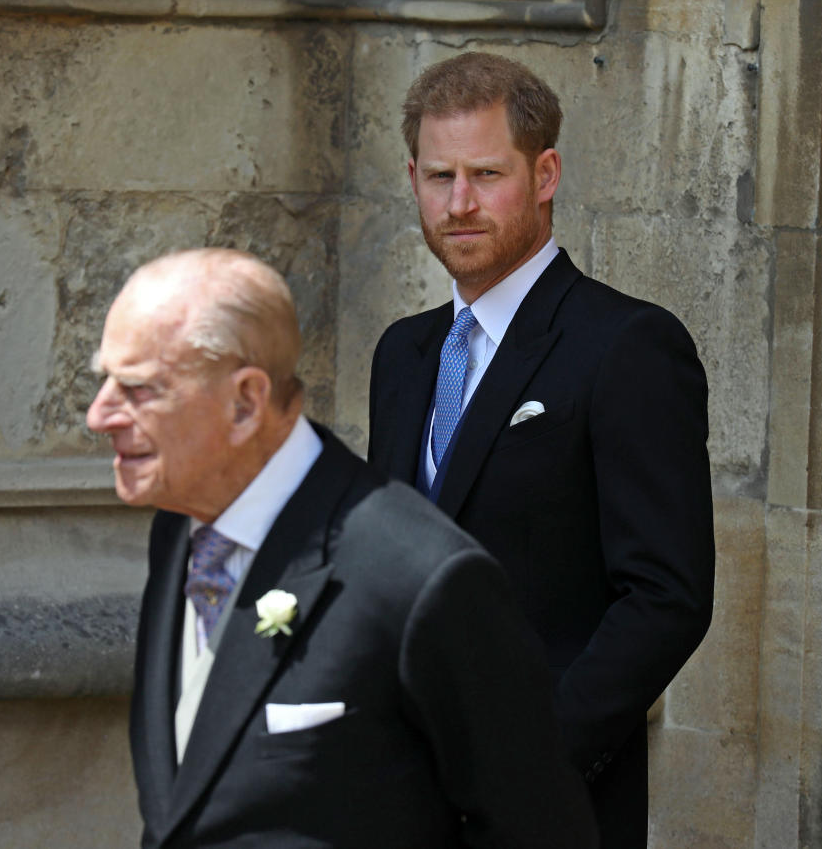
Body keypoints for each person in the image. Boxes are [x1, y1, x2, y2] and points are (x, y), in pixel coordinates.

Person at [86, 247, 597, 849]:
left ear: (246, 402)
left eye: (139, 389)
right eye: (104, 380)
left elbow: (539, 830)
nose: (101, 415)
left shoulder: (422, 578)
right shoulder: (179, 529)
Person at [367, 52, 716, 848]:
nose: (459, 204)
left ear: (545, 173)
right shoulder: (403, 354)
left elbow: (667, 598)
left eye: (487, 174)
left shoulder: (627, 345)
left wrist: (524, 769)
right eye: (438, 176)